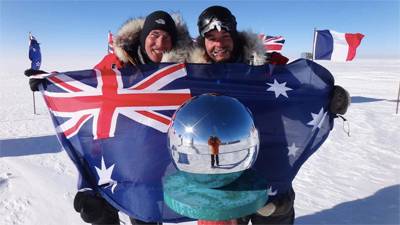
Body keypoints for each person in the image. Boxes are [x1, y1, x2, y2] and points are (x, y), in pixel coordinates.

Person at [25, 10, 192, 225]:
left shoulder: (179, 73)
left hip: (155, 165)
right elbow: (89, 93)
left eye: (167, 37)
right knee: (99, 214)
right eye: (155, 34)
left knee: (146, 218)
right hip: (116, 157)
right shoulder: (115, 63)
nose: (160, 42)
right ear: (143, 37)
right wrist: (53, 82)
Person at [189, 5, 350, 225]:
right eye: (211, 38)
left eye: (225, 36)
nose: (218, 44)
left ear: (234, 36)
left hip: (269, 165)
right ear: (202, 41)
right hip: (218, 176)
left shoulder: (267, 65)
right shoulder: (193, 75)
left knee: (274, 216)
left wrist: (326, 97)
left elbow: (297, 89)